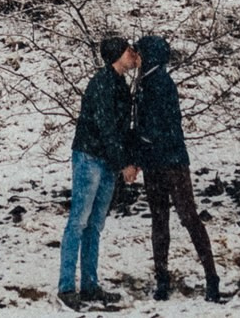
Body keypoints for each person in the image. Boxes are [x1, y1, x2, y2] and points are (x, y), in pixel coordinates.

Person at [131, 33, 222, 302]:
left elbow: (157, 127)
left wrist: (138, 147)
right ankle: (174, 278)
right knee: (170, 218)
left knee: (181, 217)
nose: (135, 56)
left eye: (139, 51)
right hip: (161, 162)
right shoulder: (149, 80)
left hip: (169, 162)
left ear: (149, 55)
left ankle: (205, 278)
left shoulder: (158, 82)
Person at [61, 35, 140, 310]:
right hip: (90, 157)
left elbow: (122, 130)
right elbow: (108, 129)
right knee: (79, 221)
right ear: (118, 54)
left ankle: (90, 285)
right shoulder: (103, 85)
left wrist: (125, 159)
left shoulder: (118, 83)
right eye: (129, 50)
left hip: (105, 160)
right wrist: (124, 164)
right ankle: (66, 287)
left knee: (94, 224)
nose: (133, 53)